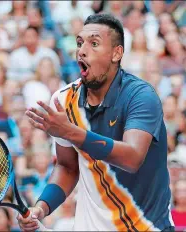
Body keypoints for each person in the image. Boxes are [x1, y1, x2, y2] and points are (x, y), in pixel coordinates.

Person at [17, 13, 174, 231]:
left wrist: (70, 132)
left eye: (94, 43)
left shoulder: (141, 96)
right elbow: (67, 167)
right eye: (79, 42)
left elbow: (132, 157)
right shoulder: (63, 101)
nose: (82, 50)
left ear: (116, 53)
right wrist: (41, 208)